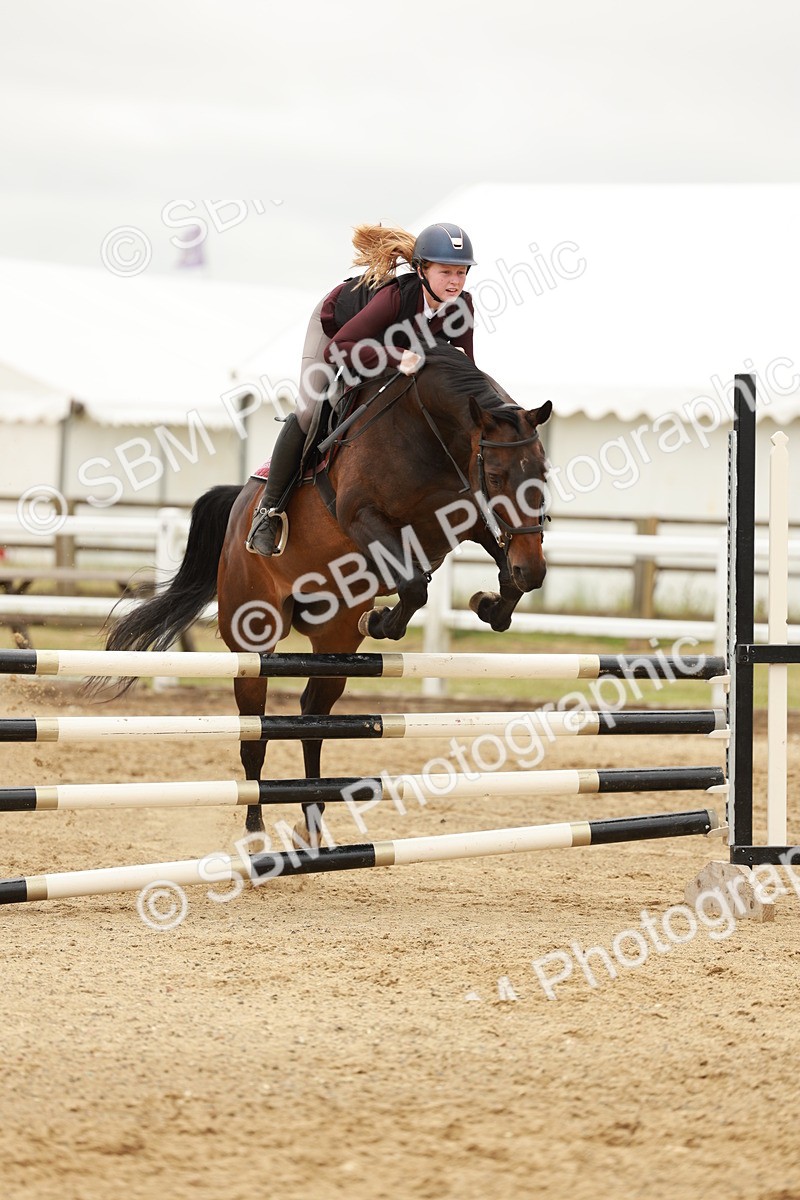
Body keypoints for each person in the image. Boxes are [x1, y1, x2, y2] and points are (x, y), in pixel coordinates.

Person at [245, 221, 477, 556]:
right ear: (421, 270)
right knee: (311, 411)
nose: (455, 282)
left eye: (461, 272)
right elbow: (337, 350)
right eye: (446, 272)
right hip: (336, 331)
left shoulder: (463, 306)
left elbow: (465, 373)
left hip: (382, 350)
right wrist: (396, 356)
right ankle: (267, 513)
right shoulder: (396, 297)